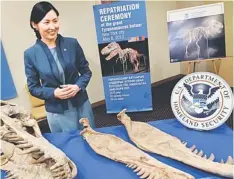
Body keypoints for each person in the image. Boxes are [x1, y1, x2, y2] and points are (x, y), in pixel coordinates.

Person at [24, 1, 95, 133]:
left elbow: (86, 72)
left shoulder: (72, 43)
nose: (53, 26)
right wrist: (54, 93)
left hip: (81, 104)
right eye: (46, 22)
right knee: (68, 145)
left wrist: (77, 86)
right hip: (57, 111)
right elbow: (33, 88)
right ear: (35, 25)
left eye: (55, 21)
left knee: (92, 138)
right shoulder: (30, 54)